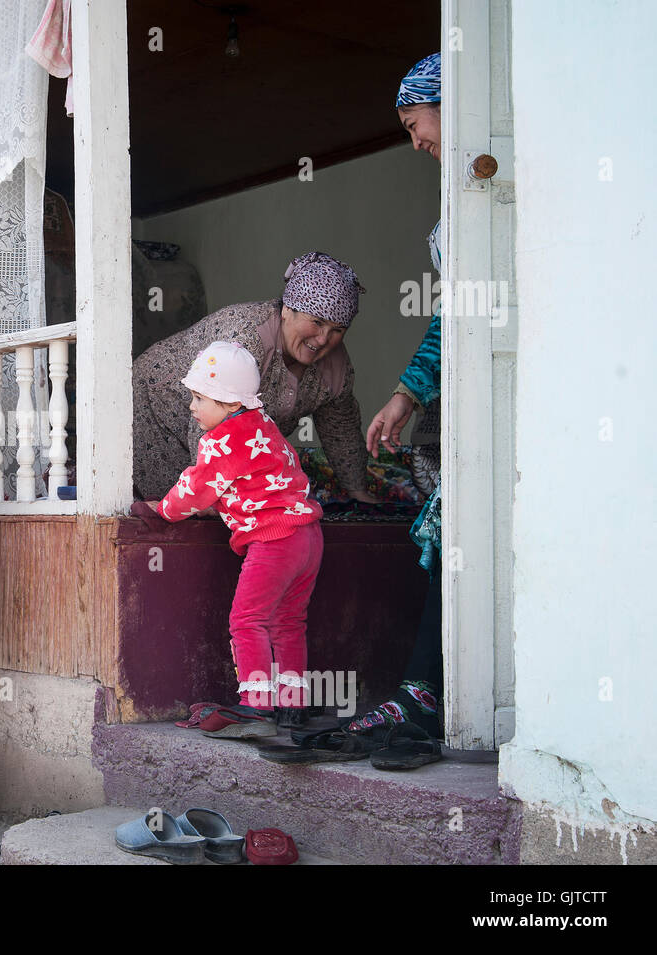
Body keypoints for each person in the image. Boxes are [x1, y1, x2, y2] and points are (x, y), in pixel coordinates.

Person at [140, 341, 324, 738]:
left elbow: (196, 488)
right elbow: (247, 483)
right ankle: (292, 706)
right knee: (289, 621)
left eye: (198, 398)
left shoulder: (221, 440)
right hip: (309, 537)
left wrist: (163, 512)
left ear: (225, 402)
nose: (192, 406)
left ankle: (256, 705)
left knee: (246, 619)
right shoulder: (264, 425)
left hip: (273, 541)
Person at [351, 53, 446, 743]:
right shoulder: (463, 204)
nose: (415, 141)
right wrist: (406, 397)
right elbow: (453, 319)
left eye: (417, 123)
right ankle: (425, 691)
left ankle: (426, 693)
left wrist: (405, 397)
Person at [133, 252, 378, 505]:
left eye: (337, 330)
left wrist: (357, 490)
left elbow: (341, 427)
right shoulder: (244, 339)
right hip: (154, 412)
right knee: (182, 514)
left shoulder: (335, 366)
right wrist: (211, 497)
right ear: (287, 310)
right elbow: (212, 423)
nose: (324, 339)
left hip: (208, 441)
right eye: (317, 322)